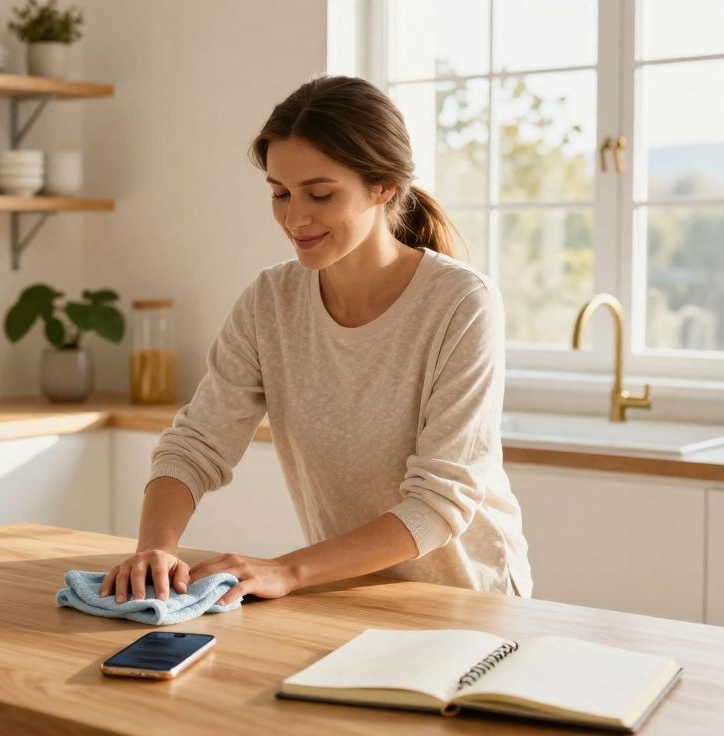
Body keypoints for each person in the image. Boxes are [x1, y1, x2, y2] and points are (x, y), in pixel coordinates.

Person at [101, 75, 532, 608]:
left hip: (468, 602)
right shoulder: (270, 301)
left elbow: (438, 504)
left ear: (384, 186)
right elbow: (197, 445)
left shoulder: (462, 304)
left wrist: (286, 570)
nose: (294, 218)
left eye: (320, 194)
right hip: (345, 594)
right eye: (280, 193)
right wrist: (155, 549)